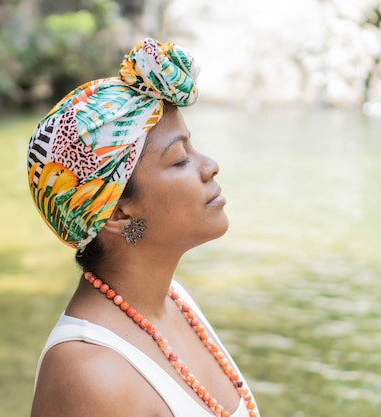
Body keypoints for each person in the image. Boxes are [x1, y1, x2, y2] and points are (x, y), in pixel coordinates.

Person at [27, 38, 260, 417]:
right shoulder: (92, 374)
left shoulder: (178, 303)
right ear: (118, 213)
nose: (210, 165)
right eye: (181, 159)